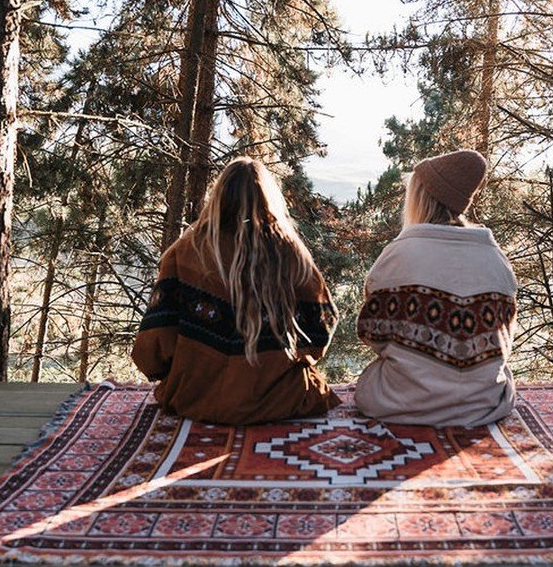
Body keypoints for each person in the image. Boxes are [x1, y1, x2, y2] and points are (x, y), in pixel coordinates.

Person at [132, 156, 340, 424]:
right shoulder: (290, 252)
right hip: (276, 398)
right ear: (268, 199)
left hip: (193, 397)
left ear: (219, 195)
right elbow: (321, 327)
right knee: (313, 388)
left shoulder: (186, 251)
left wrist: (175, 370)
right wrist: (295, 358)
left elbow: (154, 342)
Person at [354, 149, 518, 426]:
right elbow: (504, 337)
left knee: (372, 381)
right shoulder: (496, 259)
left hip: (400, 403)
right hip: (483, 404)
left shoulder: (397, 255)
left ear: (419, 197)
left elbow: (371, 334)